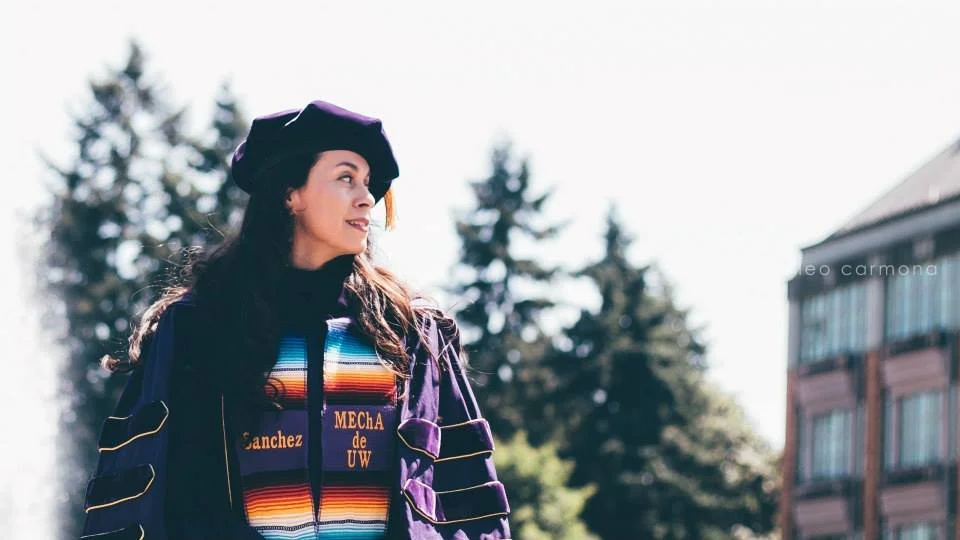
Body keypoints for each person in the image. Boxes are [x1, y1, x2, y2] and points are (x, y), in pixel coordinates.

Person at [79, 100, 512, 540]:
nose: (367, 197)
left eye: (367, 183)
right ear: (291, 194)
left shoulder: (409, 331)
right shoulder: (201, 327)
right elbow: (164, 496)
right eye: (346, 177)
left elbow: (464, 491)